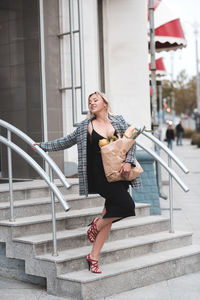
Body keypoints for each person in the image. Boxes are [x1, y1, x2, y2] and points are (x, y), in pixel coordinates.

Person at [34, 91, 141, 274]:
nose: (92, 103)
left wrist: (128, 162)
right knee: (127, 205)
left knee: (109, 215)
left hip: (118, 174)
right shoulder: (86, 126)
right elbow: (65, 142)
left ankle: (93, 257)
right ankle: (96, 225)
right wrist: (43, 146)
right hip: (99, 176)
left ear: (105, 103)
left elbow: (131, 140)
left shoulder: (119, 120)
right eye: (90, 101)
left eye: (95, 100)